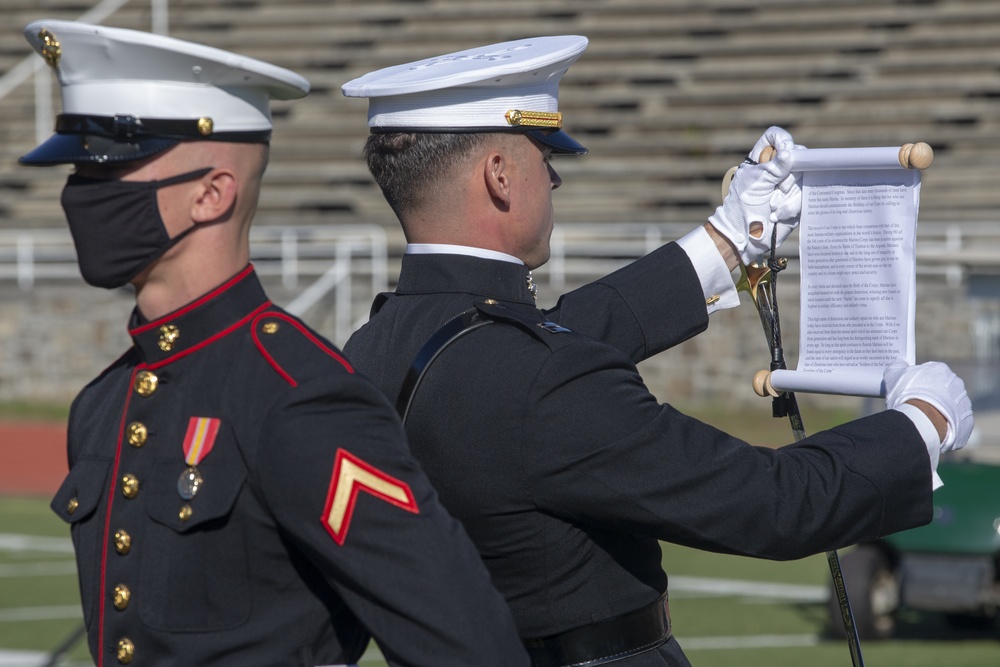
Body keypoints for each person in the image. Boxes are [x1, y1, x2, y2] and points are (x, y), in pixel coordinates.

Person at [340, 35, 975, 667]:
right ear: (499, 175)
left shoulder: (369, 348)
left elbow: (535, 342)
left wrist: (724, 245)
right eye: (543, 153)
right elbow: (773, 504)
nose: (554, 175)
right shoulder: (539, 380)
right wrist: (921, 426)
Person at [18, 20, 530, 667]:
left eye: (109, 171)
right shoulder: (104, 402)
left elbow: (470, 644)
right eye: (79, 172)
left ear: (211, 193)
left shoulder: (298, 397)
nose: (79, 195)